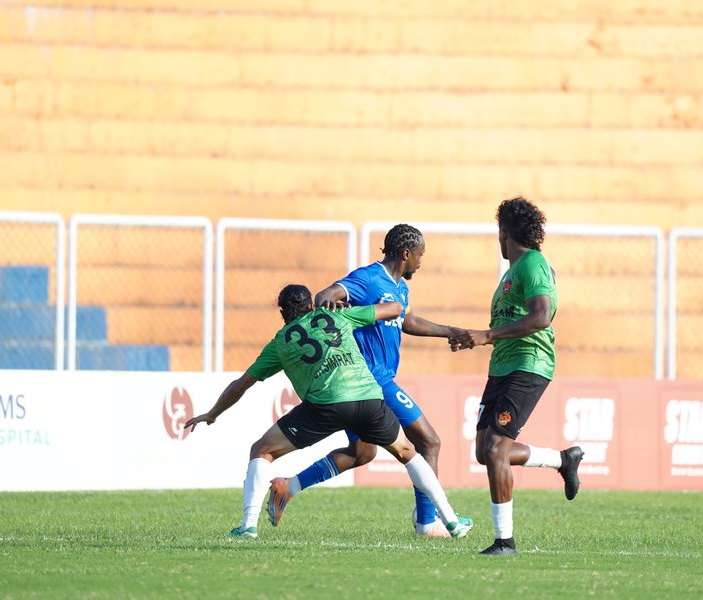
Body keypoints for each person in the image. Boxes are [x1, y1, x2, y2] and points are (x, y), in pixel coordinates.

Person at [184, 284, 473, 540]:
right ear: (311, 305)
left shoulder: (280, 342)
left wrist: (212, 413)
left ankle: (248, 526)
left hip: (326, 406)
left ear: (282, 312)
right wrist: (350, 306)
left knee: (262, 450)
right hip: (369, 397)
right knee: (409, 452)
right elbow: (395, 308)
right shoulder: (338, 316)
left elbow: (240, 385)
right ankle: (451, 521)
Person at [269, 224, 470, 537]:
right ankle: (427, 523)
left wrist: (449, 331)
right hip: (373, 379)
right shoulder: (368, 278)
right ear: (407, 253)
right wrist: (330, 302)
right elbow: (325, 295)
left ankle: (288, 487)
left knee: (362, 454)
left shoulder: (399, 287)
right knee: (429, 440)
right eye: (420, 255)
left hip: (372, 382)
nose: (421, 261)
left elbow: (407, 320)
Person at [450, 197, 584, 556]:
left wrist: (488, 336)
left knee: (496, 449)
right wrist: (478, 337)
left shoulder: (533, 265)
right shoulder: (512, 273)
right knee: (485, 452)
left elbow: (541, 317)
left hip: (529, 363)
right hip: (502, 367)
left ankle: (504, 542)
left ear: (504, 233)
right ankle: (562, 460)